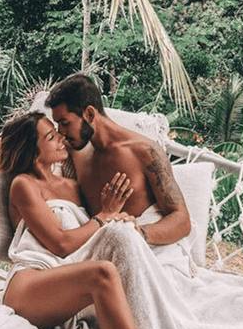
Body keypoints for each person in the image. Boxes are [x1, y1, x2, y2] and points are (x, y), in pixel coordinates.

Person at [0, 111, 171, 329]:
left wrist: (118, 218)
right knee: (102, 274)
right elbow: (61, 243)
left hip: (68, 290)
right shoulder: (24, 184)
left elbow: (92, 236)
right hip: (30, 285)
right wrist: (104, 215)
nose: (60, 138)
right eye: (50, 136)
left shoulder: (73, 186)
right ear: (32, 151)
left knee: (122, 234)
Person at [45, 73, 190, 246]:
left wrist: (138, 233)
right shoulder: (76, 150)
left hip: (144, 246)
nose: (60, 131)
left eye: (64, 123)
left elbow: (182, 220)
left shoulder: (144, 151)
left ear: (89, 114)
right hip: (98, 247)